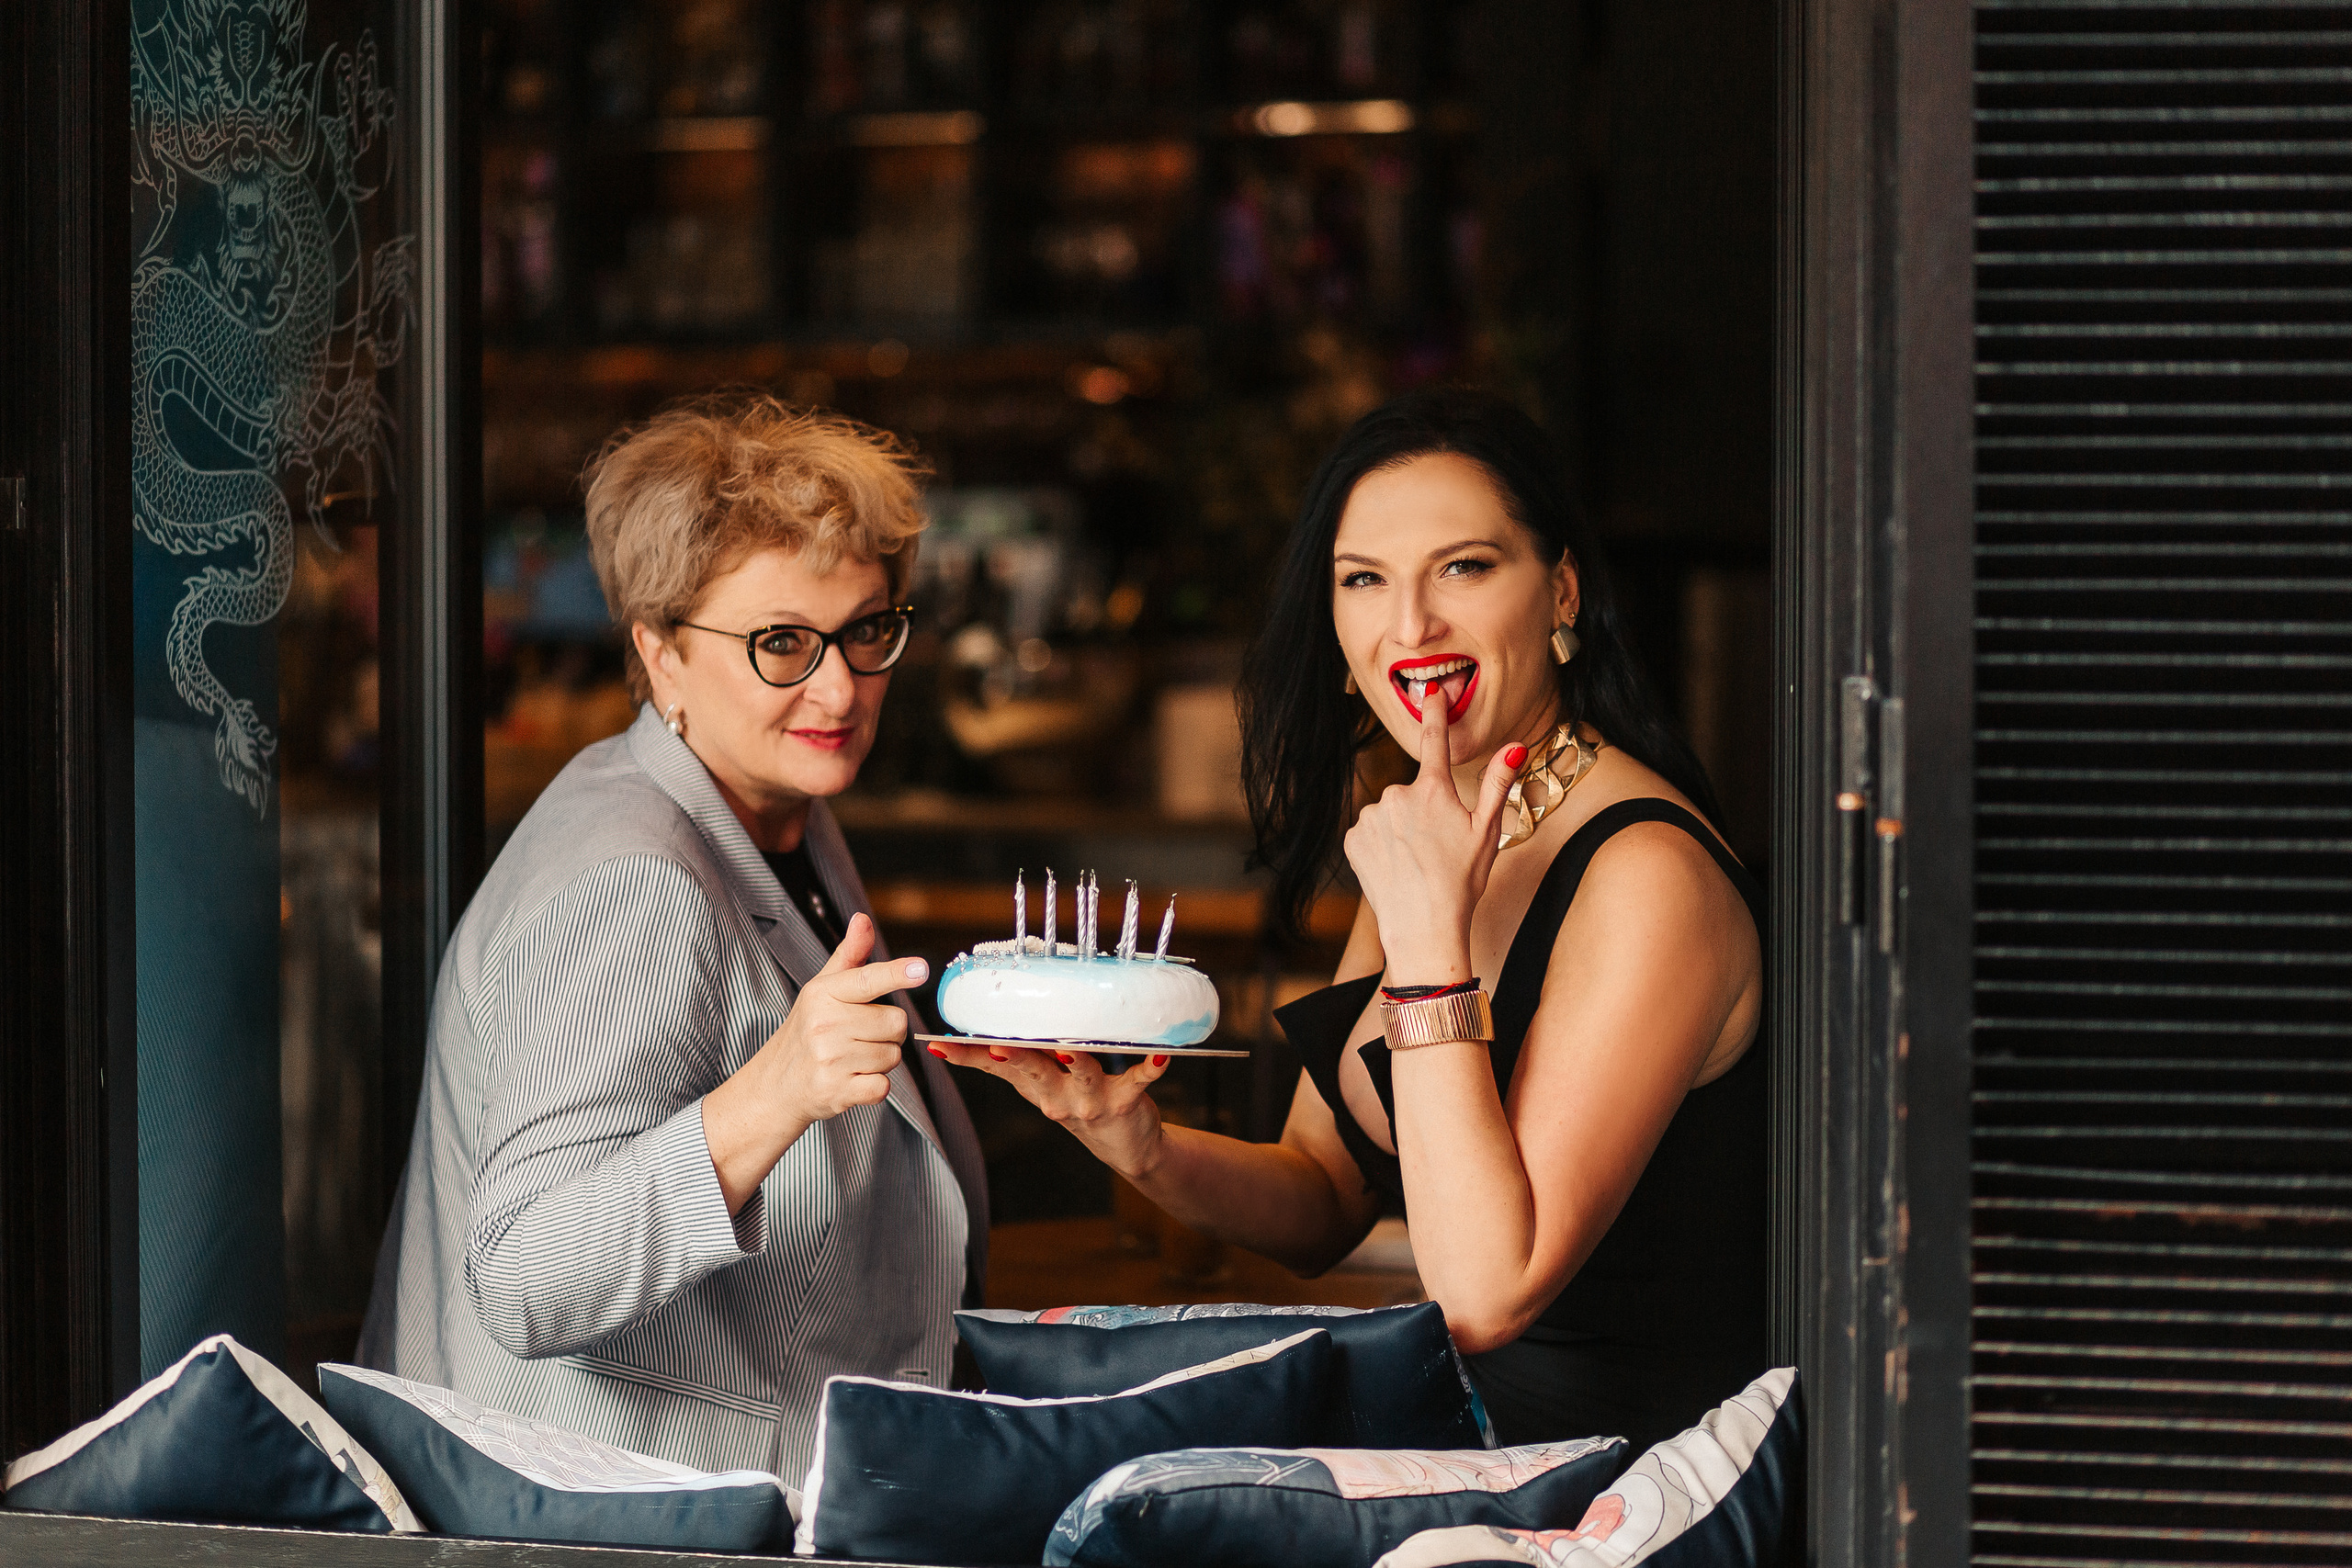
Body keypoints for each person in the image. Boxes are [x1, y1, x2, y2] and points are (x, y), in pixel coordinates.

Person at [933, 388, 1765, 1451]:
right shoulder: (1433, 829)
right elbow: (1323, 1197)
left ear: (1560, 594)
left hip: (1618, 1499)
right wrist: (1137, 1144)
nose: (1409, 626)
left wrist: (1428, 948)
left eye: (1462, 568)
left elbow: (1484, 1293)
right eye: (1364, 580)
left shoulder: (1646, 873)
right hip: (1460, 1456)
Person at [359, 397, 988, 1483]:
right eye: (781, 643)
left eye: (867, 629)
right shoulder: (633, 880)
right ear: (659, 655)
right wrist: (772, 1092)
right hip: (613, 1526)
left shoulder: (774, 813)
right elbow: (525, 1271)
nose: (839, 688)